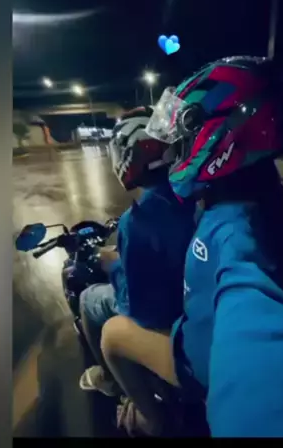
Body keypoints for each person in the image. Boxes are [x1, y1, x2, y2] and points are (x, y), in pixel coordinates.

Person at [100, 56, 283, 437]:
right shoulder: (251, 198)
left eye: (186, 133)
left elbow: (250, 308)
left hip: (196, 359)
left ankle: (151, 419)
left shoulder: (232, 229)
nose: (177, 147)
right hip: (200, 331)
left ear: (220, 132)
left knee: (111, 334)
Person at [78, 106, 196, 397]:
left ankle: (109, 377)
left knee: (88, 298)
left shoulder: (136, 221)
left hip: (163, 316)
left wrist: (112, 266)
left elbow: (136, 305)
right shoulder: (191, 195)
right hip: (189, 303)